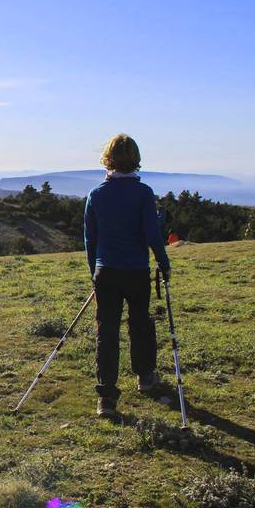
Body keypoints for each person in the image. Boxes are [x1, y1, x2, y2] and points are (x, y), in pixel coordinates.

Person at [84, 134, 171, 417]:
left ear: (107, 158)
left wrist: (93, 273)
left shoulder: (96, 195)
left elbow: (90, 240)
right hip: (136, 270)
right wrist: (163, 261)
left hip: (105, 271)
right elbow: (152, 234)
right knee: (139, 323)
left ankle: (106, 397)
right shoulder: (143, 193)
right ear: (135, 158)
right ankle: (145, 377)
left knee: (106, 332)